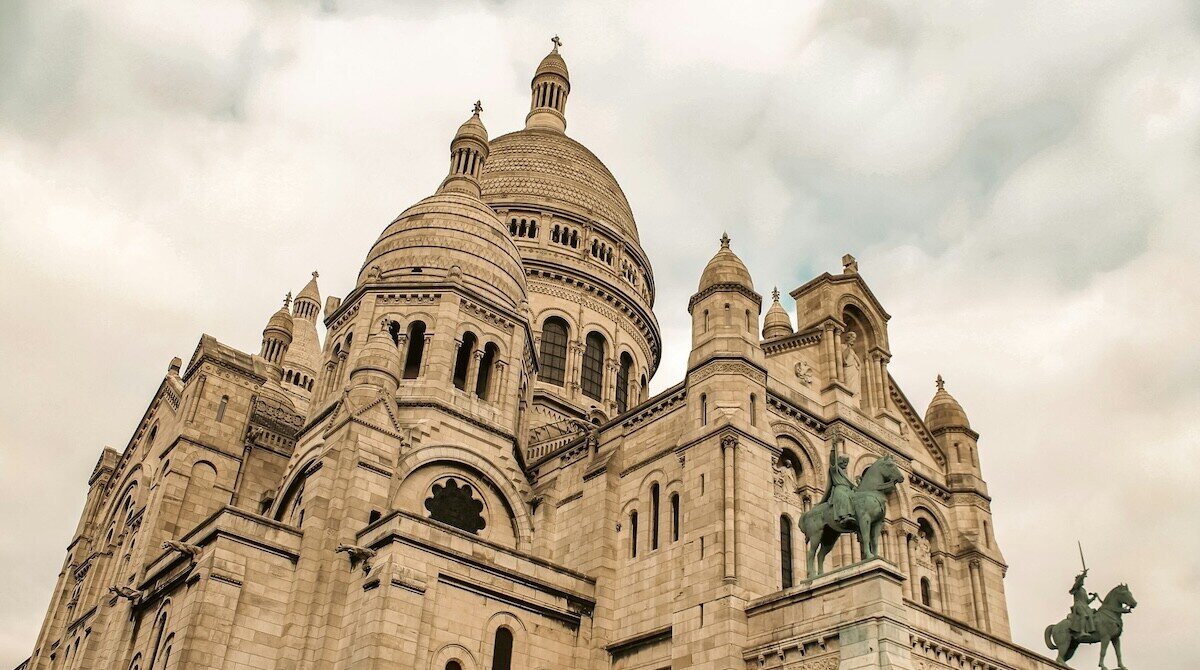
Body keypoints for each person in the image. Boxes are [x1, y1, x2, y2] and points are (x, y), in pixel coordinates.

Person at [819, 439, 856, 527]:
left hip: (849, 491)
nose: (845, 464)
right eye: (843, 462)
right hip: (840, 490)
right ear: (839, 462)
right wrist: (833, 449)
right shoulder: (834, 470)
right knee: (844, 496)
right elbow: (832, 462)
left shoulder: (845, 475)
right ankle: (844, 516)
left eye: (846, 463)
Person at [1068, 569, 1098, 636]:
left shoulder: (1083, 590)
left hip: (1085, 606)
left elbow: (1087, 601)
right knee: (1083, 615)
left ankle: (1090, 630)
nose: (1082, 581)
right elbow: (1077, 584)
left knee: (1092, 615)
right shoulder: (1076, 588)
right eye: (1081, 580)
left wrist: (1093, 598)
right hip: (1078, 605)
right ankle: (1082, 631)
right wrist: (1083, 575)